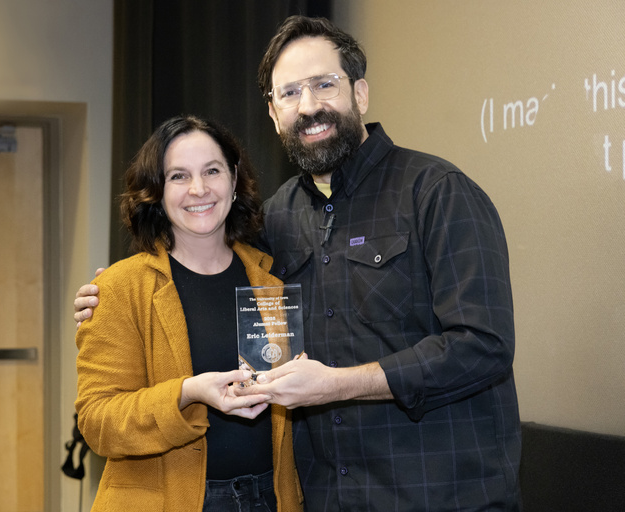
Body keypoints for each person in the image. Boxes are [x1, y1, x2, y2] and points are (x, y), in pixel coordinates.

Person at [76, 16, 521, 512]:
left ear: (361, 93)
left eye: (324, 85)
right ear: (272, 112)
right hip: (324, 497)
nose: (309, 107)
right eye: (289, 93)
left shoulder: (436, 192)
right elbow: (199, 264)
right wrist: (112, 291)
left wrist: (341, 383)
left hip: (439, 493)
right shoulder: (280, 218)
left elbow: (485, 345)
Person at [74, 115, 302, 512]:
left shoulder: (272, 278)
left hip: (272, 497)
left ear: (233, 178)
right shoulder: (120, 287)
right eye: (178, 176)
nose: (199, 189)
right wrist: (187, 393)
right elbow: (98, 422)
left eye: (211, 171)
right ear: (157, 191)